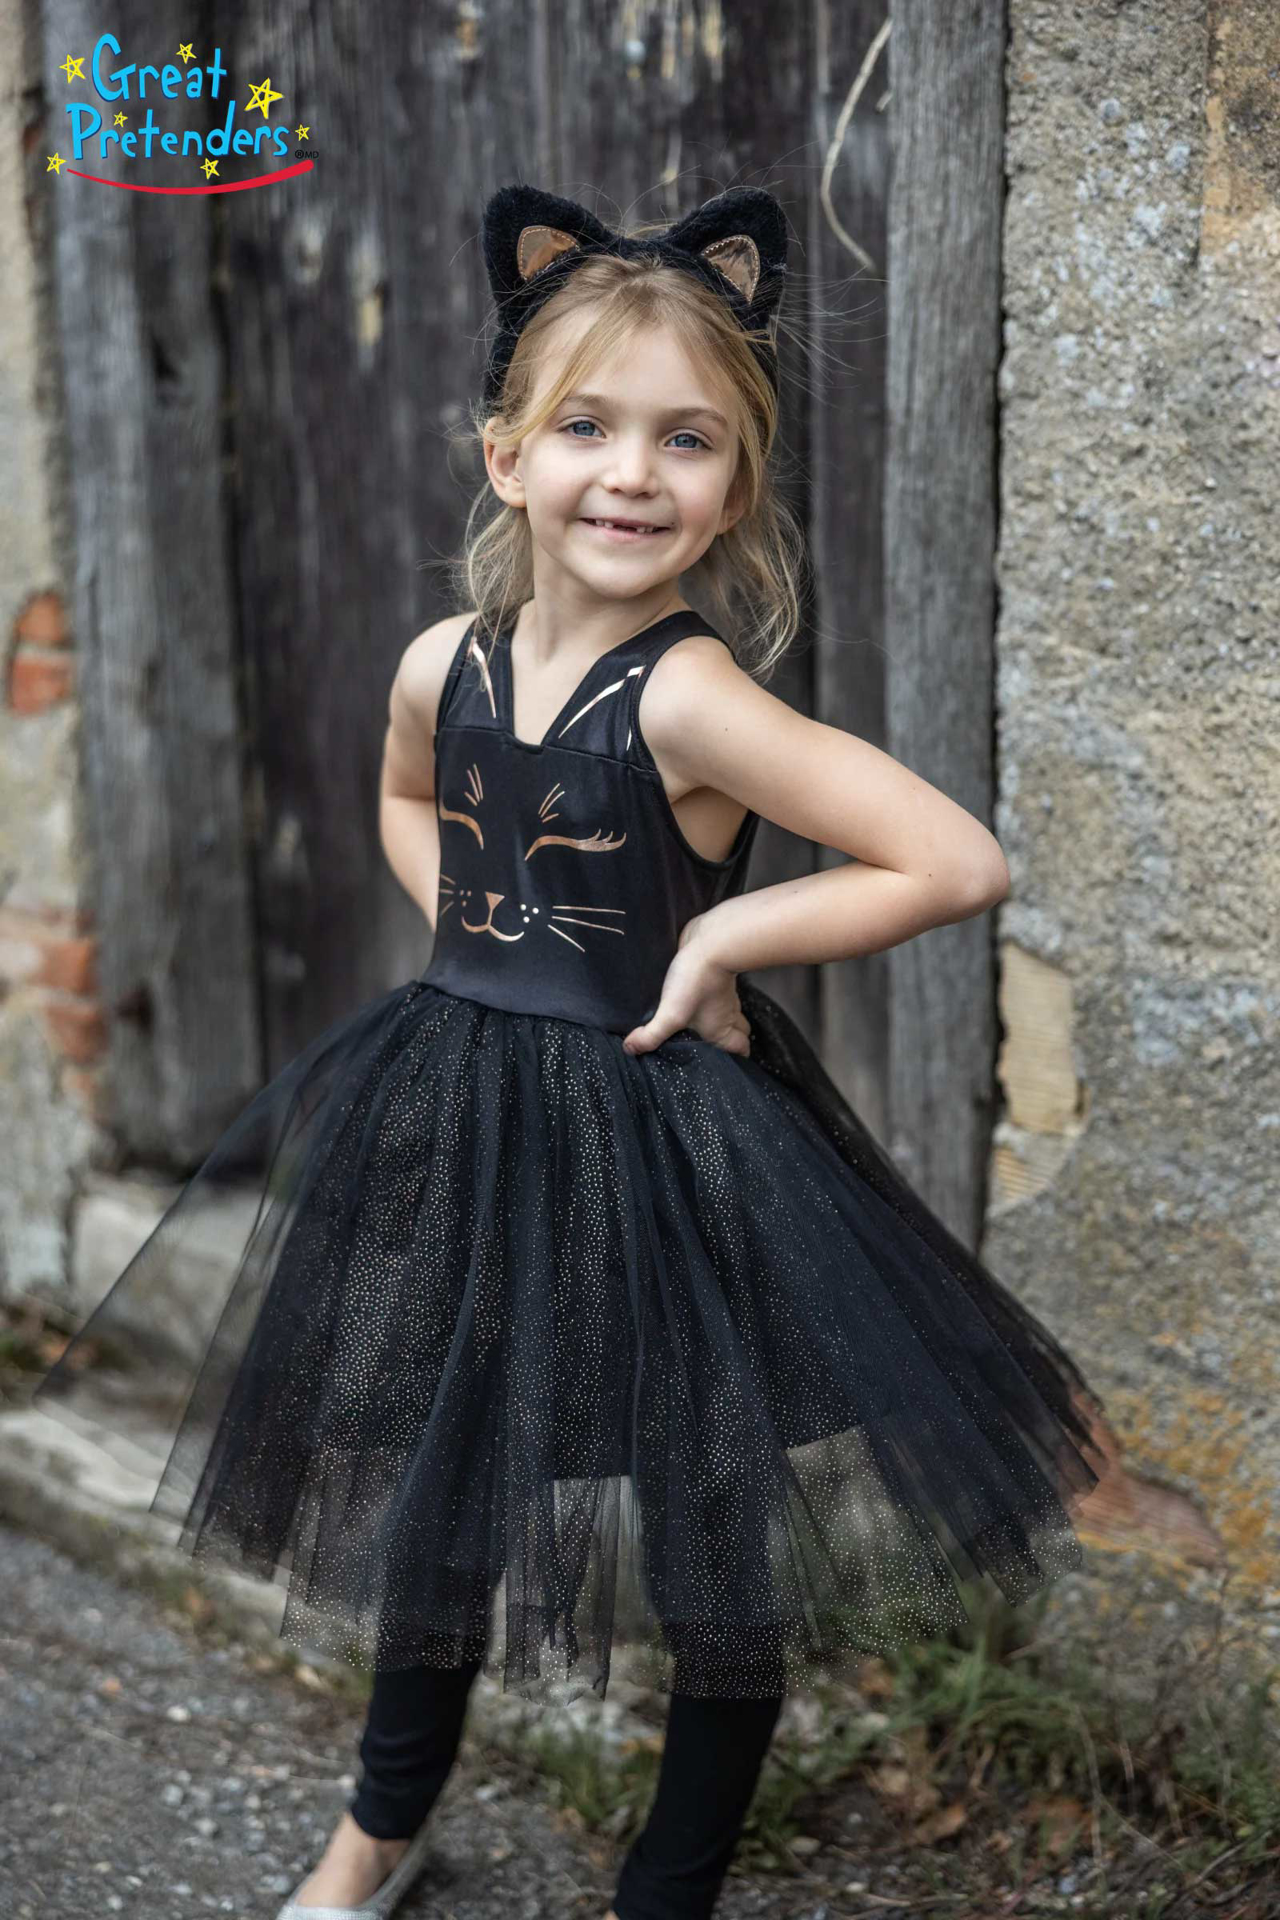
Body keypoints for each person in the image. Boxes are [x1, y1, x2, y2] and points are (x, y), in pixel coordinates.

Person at [31, 182, 1111, 1920]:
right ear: (506, 456)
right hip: (462, 1118)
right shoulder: (441, 664)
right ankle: (376, 1832)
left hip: (662, 1146)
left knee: (711, 1539)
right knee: (434, 1488)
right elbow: (406, 801)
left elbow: (954, 860)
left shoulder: (689, 697)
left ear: (734, 490)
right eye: (588, 428)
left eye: (688, 440)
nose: (633, 473)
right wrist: (480, 930)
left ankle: (665, 1894)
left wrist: (719, 937)